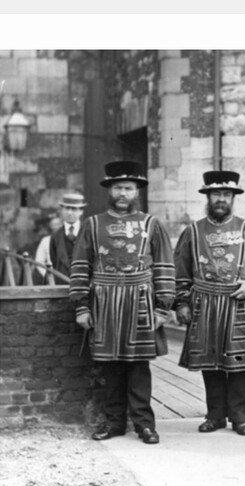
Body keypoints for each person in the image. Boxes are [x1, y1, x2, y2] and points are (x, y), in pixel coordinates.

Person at [69, 161, 175, 445]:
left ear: (136, 191)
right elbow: (80, 266)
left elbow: (165, 265)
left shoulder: (151, 224)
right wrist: (82, 305)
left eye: (128, 188)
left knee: (139, 367)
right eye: (118, 188)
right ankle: (115, 423)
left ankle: (144, 425)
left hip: (140, 301)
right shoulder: (93, 224)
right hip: (104, 302)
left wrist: (163, 306)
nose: (122, 193)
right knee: (110, 367)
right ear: (110, 190)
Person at [173, 170, 245, 436]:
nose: (221, 199)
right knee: (211, 362)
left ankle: (242, 418)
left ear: (233, 198)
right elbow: (180, 271)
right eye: (216, 194)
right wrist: (181, 303)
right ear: (207, 197)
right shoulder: (193, 232)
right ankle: (215, 415)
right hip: (203, 303)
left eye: (226, 194)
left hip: (237, 302)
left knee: (239, 363)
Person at [48, 192, 87, 283]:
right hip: (61, 285)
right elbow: (55, 261)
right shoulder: (55, 237)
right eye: (67, 208)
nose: (69, 212)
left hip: (82, 285)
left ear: (81, 211)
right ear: (62, 210)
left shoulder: (87, 234)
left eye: (73, 209)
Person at [34, 215, 63, 282]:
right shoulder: (45, 240)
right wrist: (47, 275)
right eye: (53, 224)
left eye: (58, 224)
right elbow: (39, 261)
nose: (56, 227)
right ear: (50, 226)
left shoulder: (69, 239)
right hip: (51, 277)